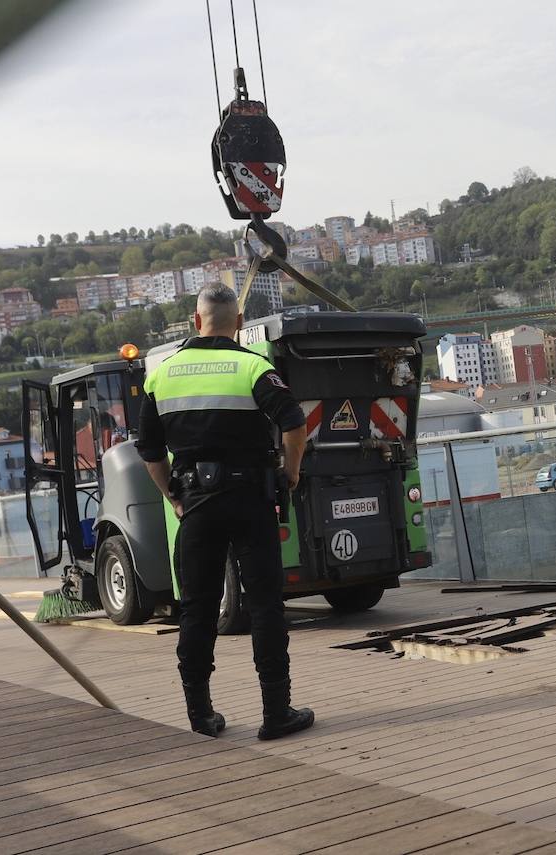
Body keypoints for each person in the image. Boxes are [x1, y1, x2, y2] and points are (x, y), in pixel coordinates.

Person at [135, 283, 313, 740]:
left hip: (197, 504)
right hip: (251, 500)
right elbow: (295, 423)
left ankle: (201, 716)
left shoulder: (162, 375)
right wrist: (291, 472)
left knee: (197, 609)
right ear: (239, 323)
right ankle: (276, 713)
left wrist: (174, 497)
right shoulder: (253, 367)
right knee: (266, 605)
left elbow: (150, 451)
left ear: (196, 321)